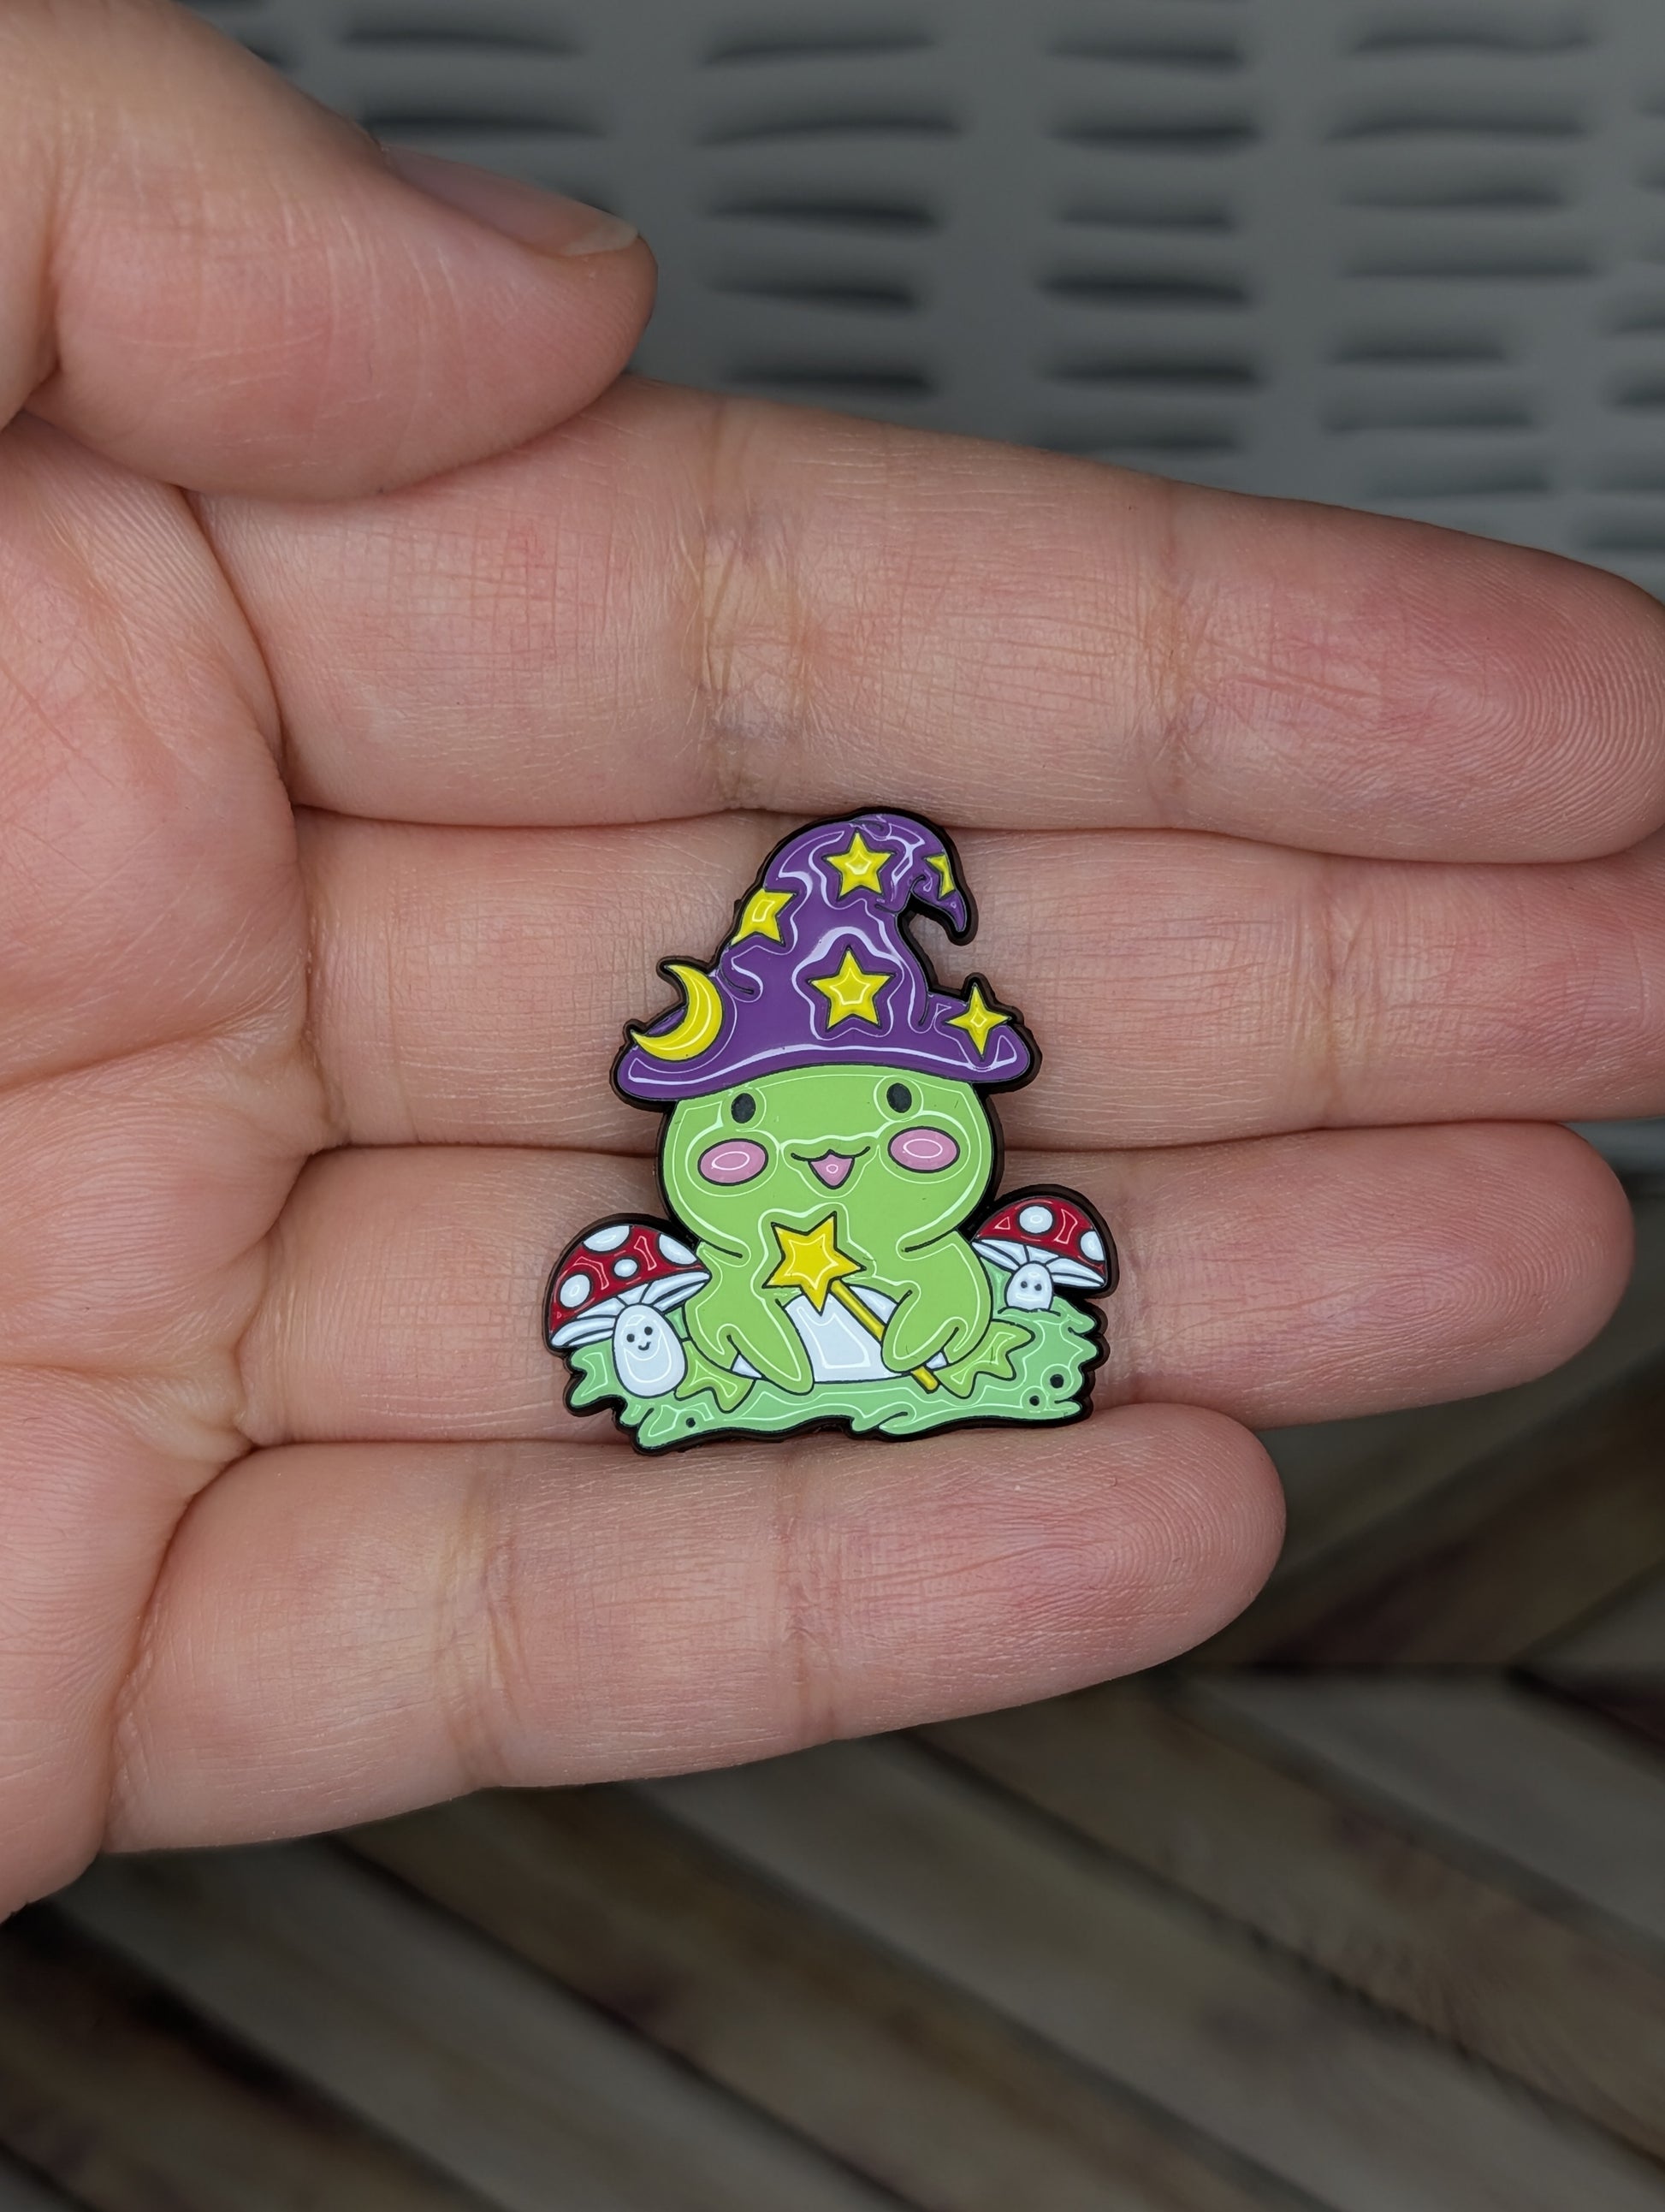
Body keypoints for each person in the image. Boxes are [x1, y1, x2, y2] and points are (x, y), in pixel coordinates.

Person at [1, 0, 1660, 1915]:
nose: (821, 1165)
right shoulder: (704, 1261)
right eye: (761, 1126)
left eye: (882, 1113)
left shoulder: (951, 1248)